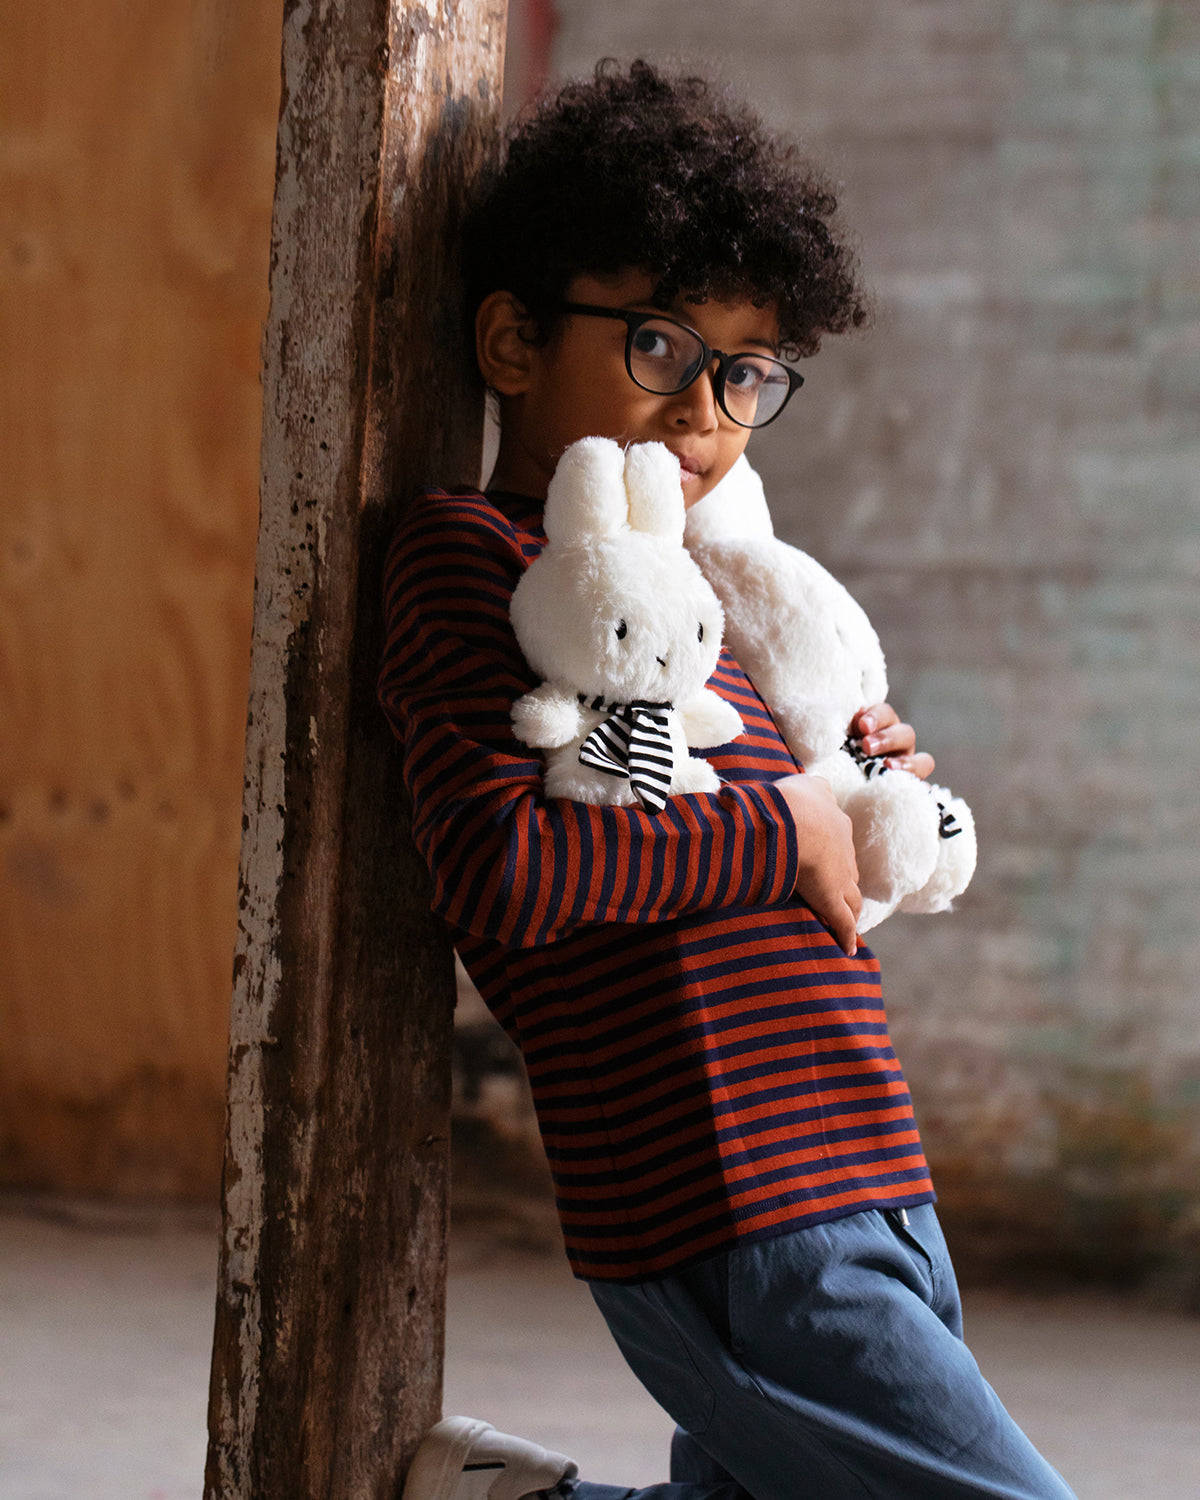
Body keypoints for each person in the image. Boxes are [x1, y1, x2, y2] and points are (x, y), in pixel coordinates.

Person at [379, 58, 1077, 1500]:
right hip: (732, 1203)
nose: (706, 408)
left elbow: (771, 844)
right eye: (660, 343)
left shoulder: (706, 604)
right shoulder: (478, 559)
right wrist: (785, 825)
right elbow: (499, 866)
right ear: (512, 341)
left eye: (748, 370)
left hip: (866, 1168)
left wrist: (852, 791)